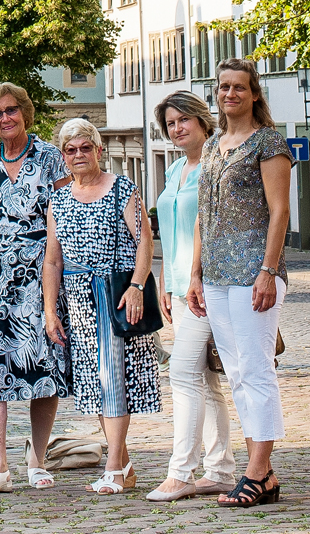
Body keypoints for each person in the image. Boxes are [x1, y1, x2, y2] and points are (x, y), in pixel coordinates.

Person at [187, 58, 292, 508]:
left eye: (239, 87)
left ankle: (255, 471)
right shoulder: (212, 146)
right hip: (215, 276)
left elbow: (280, 211)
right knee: (236, 374)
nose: (229, 93)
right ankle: (261, 473)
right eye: (223, 87)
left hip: (254, 274)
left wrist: (268, 271)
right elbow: (202, 216)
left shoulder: (268, 142)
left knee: (256, 370)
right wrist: (194, 273)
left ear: (254, 95)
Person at [44, 118, 160, 495]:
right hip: (77, 299)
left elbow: (144, 241)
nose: (79, 155)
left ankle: (112, 468)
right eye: (71, 150)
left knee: (113, 379)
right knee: (95, 384)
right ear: (63, 156)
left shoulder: (122, 189)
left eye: (85, 147)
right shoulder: (58, 199)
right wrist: (50, 310)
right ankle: (122, 463)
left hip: (116, 294)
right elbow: (53, 261)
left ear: (98, 149)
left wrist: (138, 286)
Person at [0, 82, 70, 497]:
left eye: (11, 110)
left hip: (43, 275)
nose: (5, 118)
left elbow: (65, 218)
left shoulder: (50, 158)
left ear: (25, 112)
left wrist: (57, 282)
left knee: (42, 365)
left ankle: (38, 458)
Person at [147, 91, 235, 502]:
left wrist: (195, 276)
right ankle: (220, 469)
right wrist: (166, 282)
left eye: (183, 120)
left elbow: (210, 226)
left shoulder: (217, 162)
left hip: (209, 286)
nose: (177, 128)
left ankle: (181, 472)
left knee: (182, 373)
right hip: (180, 287)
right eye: (170, 123)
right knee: (205, 380)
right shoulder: (178, 168)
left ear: (202, 121)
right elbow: (171, 227)